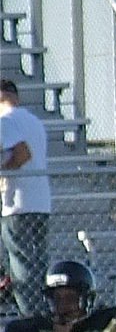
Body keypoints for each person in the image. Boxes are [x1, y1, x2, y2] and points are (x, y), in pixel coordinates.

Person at [0, 78, 52, 315]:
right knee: (38, 264)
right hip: (41, 202)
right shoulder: (33, 121)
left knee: (22, 268)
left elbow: (22, 154)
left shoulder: (6, 120)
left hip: (18, 203)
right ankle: (42, 314)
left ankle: (30, 320)